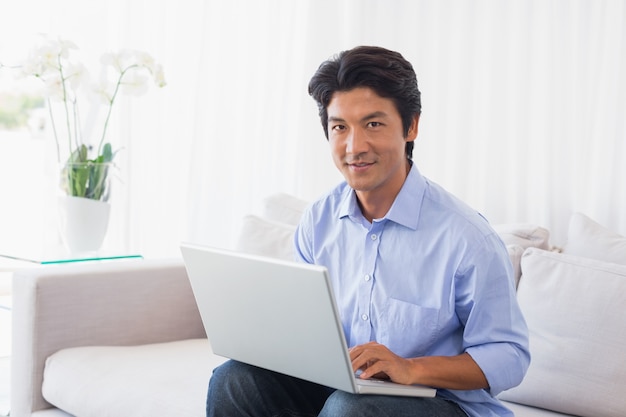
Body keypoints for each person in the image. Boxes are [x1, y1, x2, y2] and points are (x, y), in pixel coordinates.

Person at [206, 45, 530, 417]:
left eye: (373, 124)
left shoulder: (467, 238)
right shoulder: (319, 221)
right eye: (340, 127)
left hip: (443, 404)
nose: (354, 147)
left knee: (349, 411)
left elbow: (510, 356)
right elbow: (306, 329)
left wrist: (411, 369)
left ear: (411, 127)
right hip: (345, 391)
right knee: (234, 380)